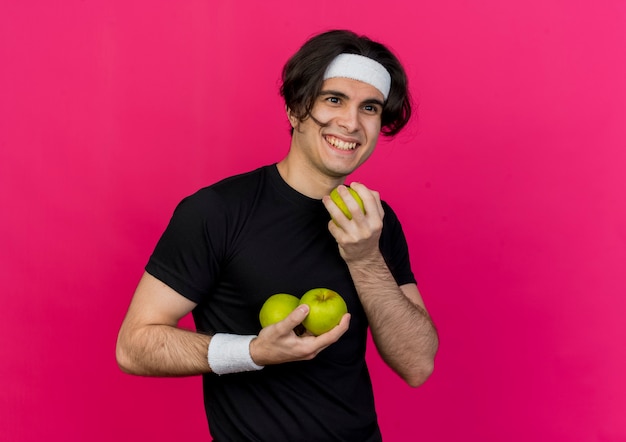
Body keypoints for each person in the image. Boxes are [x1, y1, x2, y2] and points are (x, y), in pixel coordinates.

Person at [116, 29, 439, 441]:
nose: (351, 123)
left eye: (370, 107)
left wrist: (365, 257)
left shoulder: (374, 220)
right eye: (334, 99)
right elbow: (134, 345)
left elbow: (417, 364)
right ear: (294, 110)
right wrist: (251, 353)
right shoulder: (217, 211)